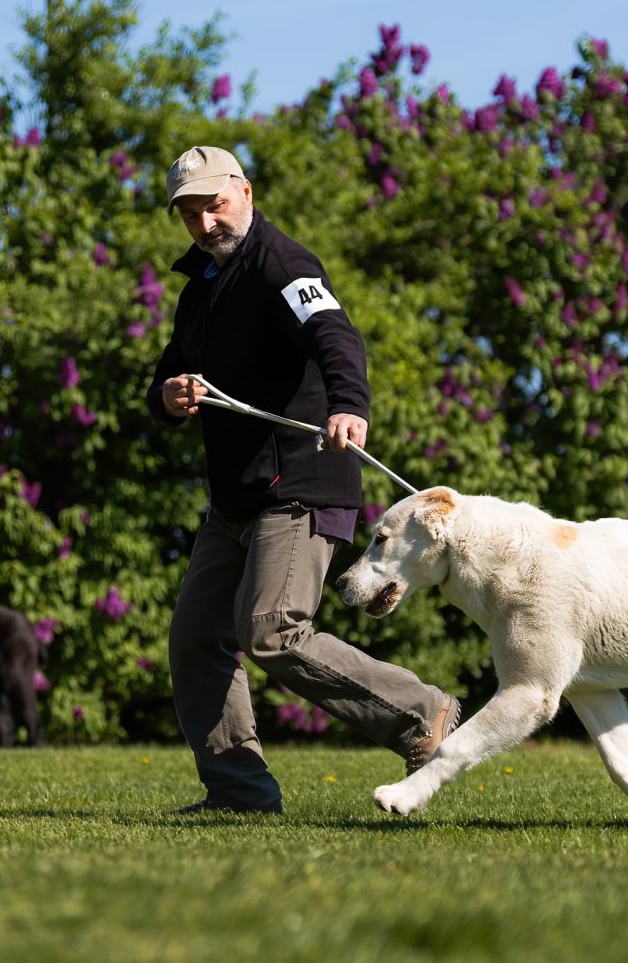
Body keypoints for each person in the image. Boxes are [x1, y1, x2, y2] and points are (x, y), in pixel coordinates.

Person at [147, 145, 459, 814]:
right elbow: (169, 371)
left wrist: (350, 404)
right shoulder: (199, 289)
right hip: (235, 498)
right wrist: (166, 395)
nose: (205, 223)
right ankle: (239, 793)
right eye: (191, 214)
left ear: (246, 192)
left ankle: (420, 714)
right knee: (196, 638)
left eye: (214, 205)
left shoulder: (283, 263)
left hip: (301, 482)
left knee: (271, 627)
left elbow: (334, 334)